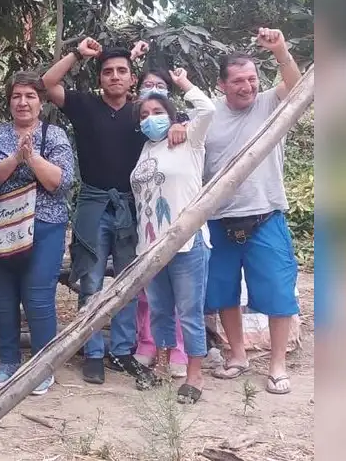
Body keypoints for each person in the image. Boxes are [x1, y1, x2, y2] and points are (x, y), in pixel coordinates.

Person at [42, 37, 185, 385]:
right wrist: (77, 53)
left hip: (133, 205)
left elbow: (181, 123)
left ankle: (121, 350)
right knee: (90, 280)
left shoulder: (143, 112)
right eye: (108, 72)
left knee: (128, 282)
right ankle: (91, 351)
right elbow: (47, 84)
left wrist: (180, 125)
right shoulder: (85, 105)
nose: (115, 76)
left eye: (122, 71)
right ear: (100, 78)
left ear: (132, 78)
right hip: (92, 202)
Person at [203, 28, 302, 396]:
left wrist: (280, 49)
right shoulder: (208, 112)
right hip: (218, 221)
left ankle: (277, 364)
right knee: (223, 293)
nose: (247, 86)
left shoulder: (270, 103)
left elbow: (296, 85)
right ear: (222, 85)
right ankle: (238, 355)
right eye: (238, 81)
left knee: (278, 292)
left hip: (266, 217)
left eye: (251, 79)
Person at [0, 72, 74, 394]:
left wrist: (31, 157)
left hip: (45, 226)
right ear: (9, 102)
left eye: (30, 96)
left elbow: (59, 183)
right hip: (2, 226)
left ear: (41, 101)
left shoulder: (55, 135)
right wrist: (15, 158)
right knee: (3, 297)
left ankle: (41, 365)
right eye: (16, 96)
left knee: (38, 297)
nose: (23, 102)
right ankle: (8, 361)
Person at [129, 68, 216, 402]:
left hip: (186, 243)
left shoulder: (189, 141)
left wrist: (184, 83)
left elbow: (207, 109)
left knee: (189, 312)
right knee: (161, 311)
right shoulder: (146, 151)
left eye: (159, 112)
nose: (152, 119)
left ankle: (195, 376)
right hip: (150, 247)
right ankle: (163, 367)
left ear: (172, 114)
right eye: (146, 115)